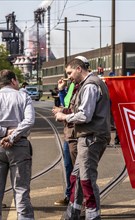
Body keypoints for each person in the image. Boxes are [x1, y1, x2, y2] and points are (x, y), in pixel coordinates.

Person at [55, 57, 111, 219]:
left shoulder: (90, 86)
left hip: (91, 137)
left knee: (86, 178)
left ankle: (93, 214)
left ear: (79, 69)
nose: (69, 77)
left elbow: (85, 115)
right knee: (77, 176)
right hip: (89, 136)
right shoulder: (89, 84)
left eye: (70, 72)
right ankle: (74, 210)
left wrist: (63, 117)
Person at [0, 69, 35, 220]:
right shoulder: (23, 97)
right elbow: (29, 121)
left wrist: (3, 132)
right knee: (21, 188)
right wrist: (12, 135)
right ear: (13, 81)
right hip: (19, 147)